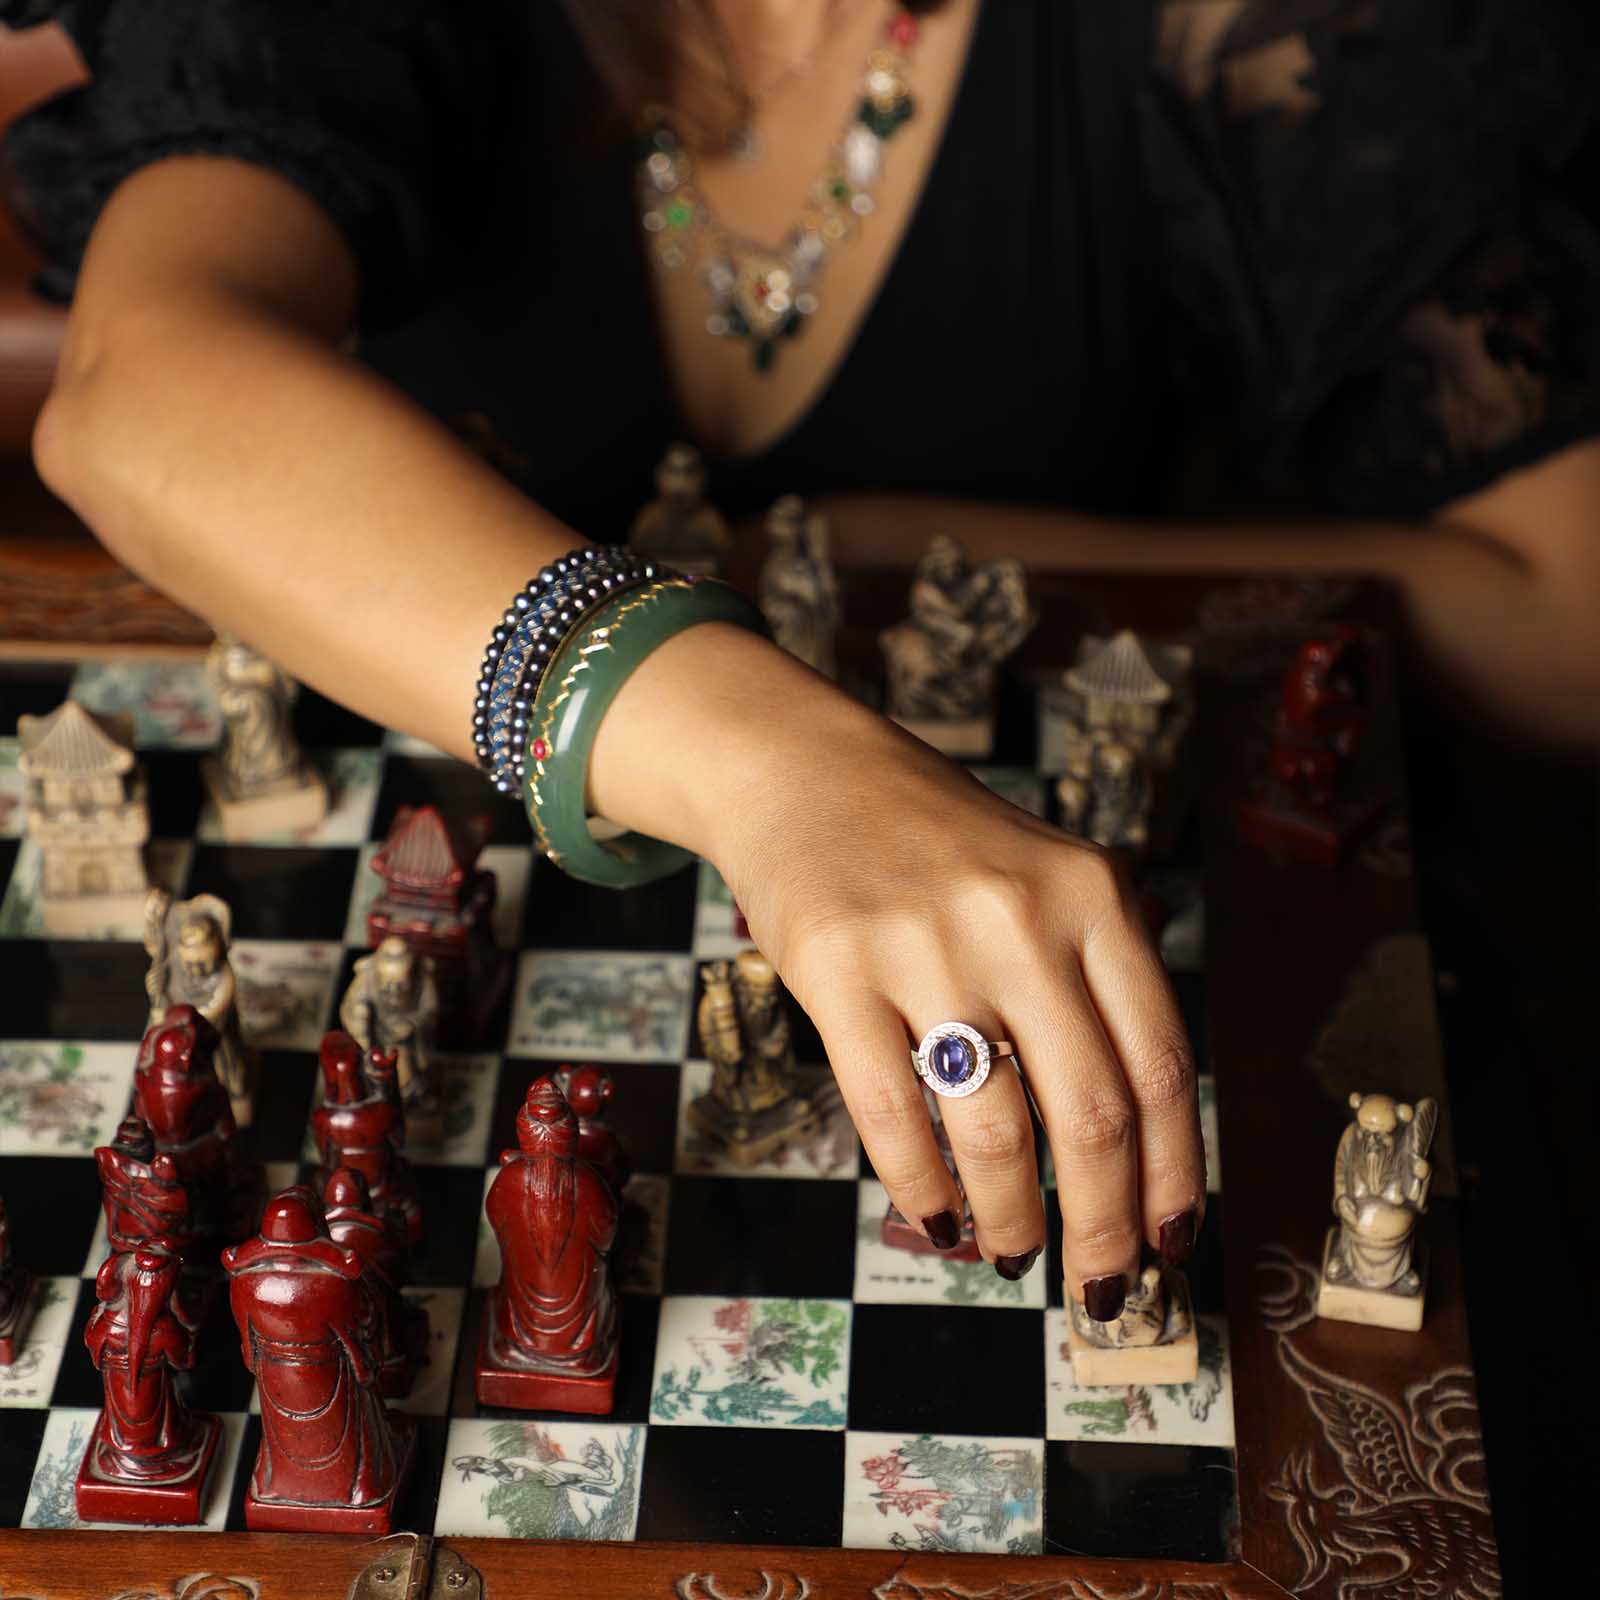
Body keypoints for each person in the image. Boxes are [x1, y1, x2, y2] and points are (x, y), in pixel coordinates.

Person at [2, 0, 1596, 1333]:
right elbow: (140, 388)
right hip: (471, 911)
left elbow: (1563, 616)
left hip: (1044, 926)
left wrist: (917, 546)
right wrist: (763, 749)